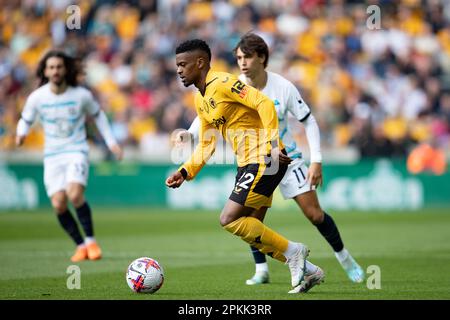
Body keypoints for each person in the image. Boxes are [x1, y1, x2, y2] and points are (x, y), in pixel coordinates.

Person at [177, 33, 365, 289]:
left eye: (182, 65)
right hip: (249, 162)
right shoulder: (201, 98)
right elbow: (207, 143)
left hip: (267, 157)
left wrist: (275, 146)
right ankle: (306, 269)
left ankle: (303, 254)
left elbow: (264, 103)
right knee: (248, 223)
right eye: (177, 65)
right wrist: (185, 171)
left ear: (200, 62)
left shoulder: (224, 82)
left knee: (230, 218)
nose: (178, 71)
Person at [15, 50, 123, 262]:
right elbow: (25, 119)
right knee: (58, 204)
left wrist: (112, 143)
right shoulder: (37, 97)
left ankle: (91, 242)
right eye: (51, 67)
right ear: (45, 71)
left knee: (74, 195)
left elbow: (98, 116)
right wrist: (21, 133)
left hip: (76, 150)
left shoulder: (81, 95)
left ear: (66, 69)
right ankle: (80, 246)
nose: (55, 71)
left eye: (59, 67)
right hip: (52, 155)